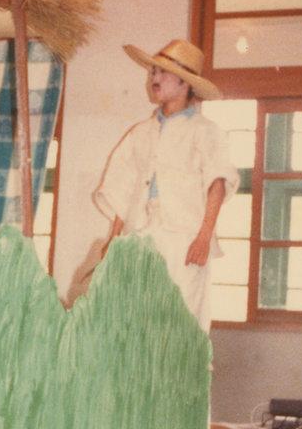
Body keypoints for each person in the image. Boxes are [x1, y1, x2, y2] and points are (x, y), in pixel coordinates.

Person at [94, 39, 239, 332]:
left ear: (185, 83)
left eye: (162, 72)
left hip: (184, 239)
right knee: (136, 317)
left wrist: (203, 237)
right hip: (140, 232)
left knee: (181, 320)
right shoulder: (140, 133)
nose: (154, 78)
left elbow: (217, 183)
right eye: (152, 72)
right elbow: (124, 189)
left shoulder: (205, 131)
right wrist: (114, 239)